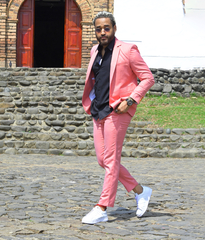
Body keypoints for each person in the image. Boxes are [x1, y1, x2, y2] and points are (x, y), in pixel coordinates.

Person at [82, 11, 155, 224]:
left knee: (111, 160)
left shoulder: (128, 50)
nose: (102, 32)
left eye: (106, 28)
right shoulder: (94, 50)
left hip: (118, 110)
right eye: (98, 29)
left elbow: (147, 78)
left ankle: (102, 207)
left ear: (114, 28)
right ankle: (140, 190)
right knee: (103, 160)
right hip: (98, 110)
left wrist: (131, 100)